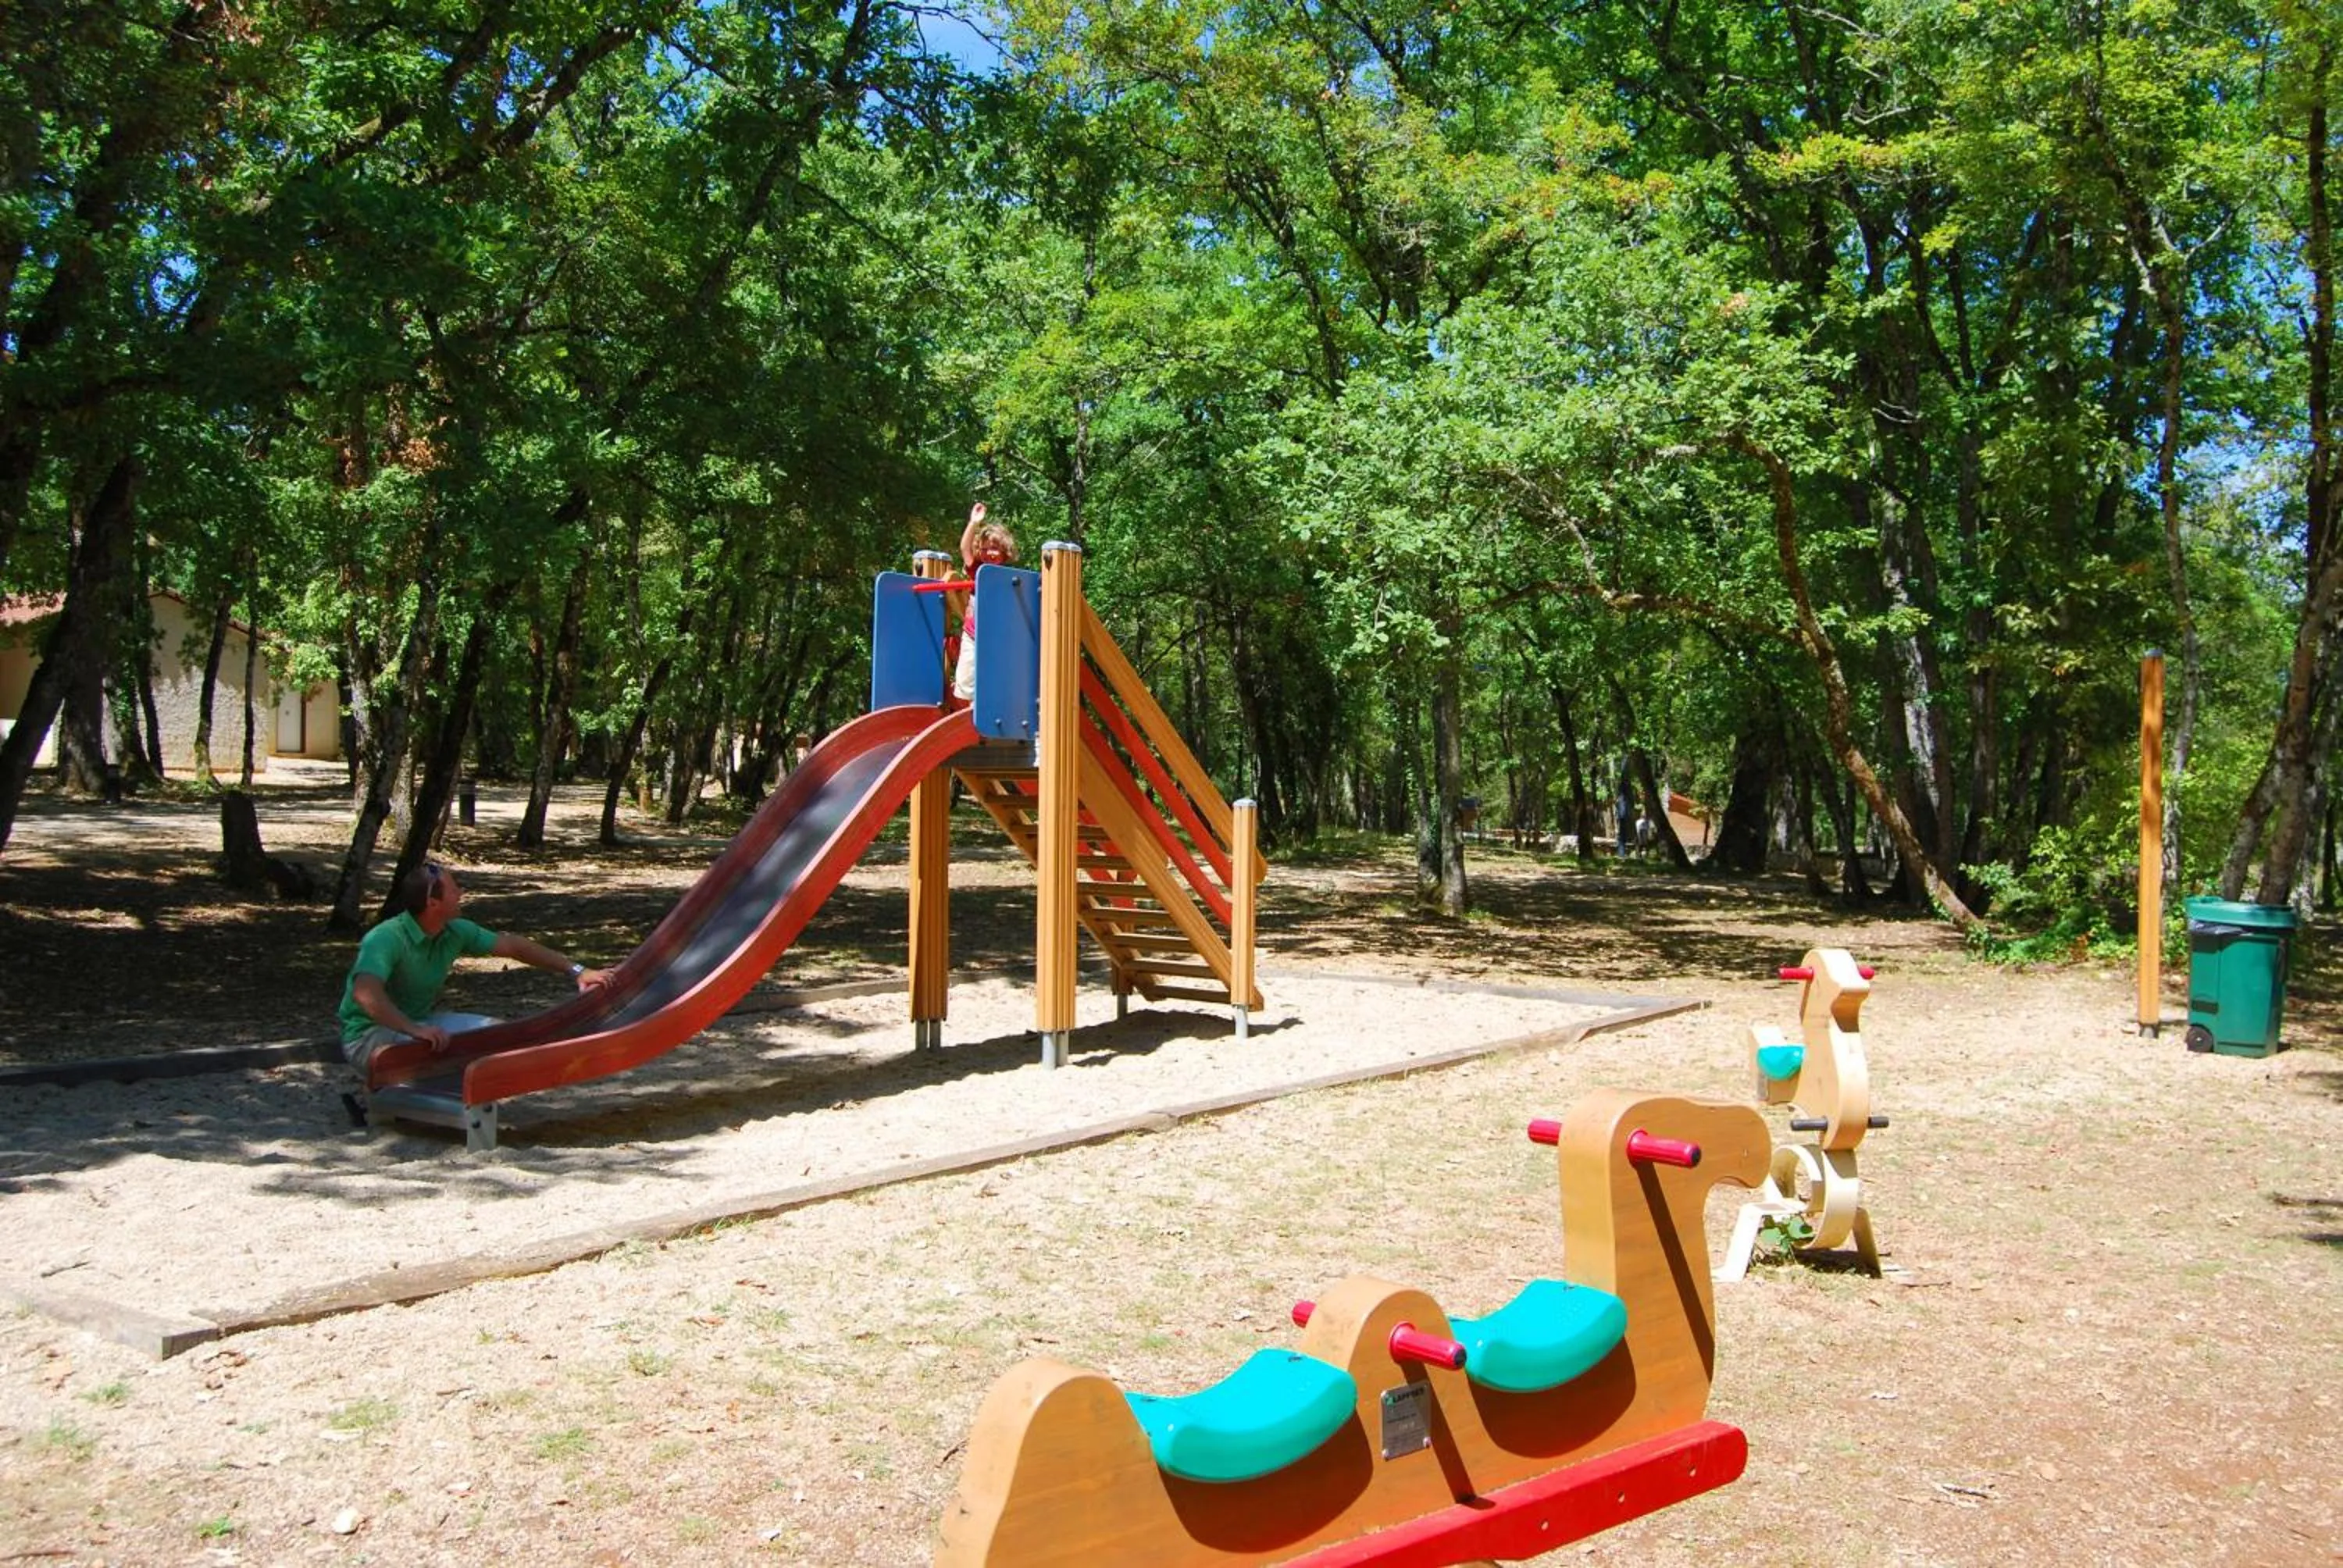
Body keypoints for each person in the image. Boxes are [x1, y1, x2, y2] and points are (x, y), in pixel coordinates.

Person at [337, 861, 612, 1072]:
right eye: (454, 889)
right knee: (447, 1052)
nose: (461, 893)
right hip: (369, 1038)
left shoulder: (455, 931)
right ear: (433, 903)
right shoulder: (386, 938)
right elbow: (365, 993)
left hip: (419, 1025)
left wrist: (578, 971)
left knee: (497, 1034)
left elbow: (513, 946)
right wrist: (413, 1030)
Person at [952, 500, 1018, 702]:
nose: (990, 553)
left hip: (997, 637)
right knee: (965, 680)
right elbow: (964, 548)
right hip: (973, 634)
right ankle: (969, 711)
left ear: (1005, 551)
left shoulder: (1008, 577)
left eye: (995, 548)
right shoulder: (978, 570)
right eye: (985, 548)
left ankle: (988, 708)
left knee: (993, 678)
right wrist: (974, 523)